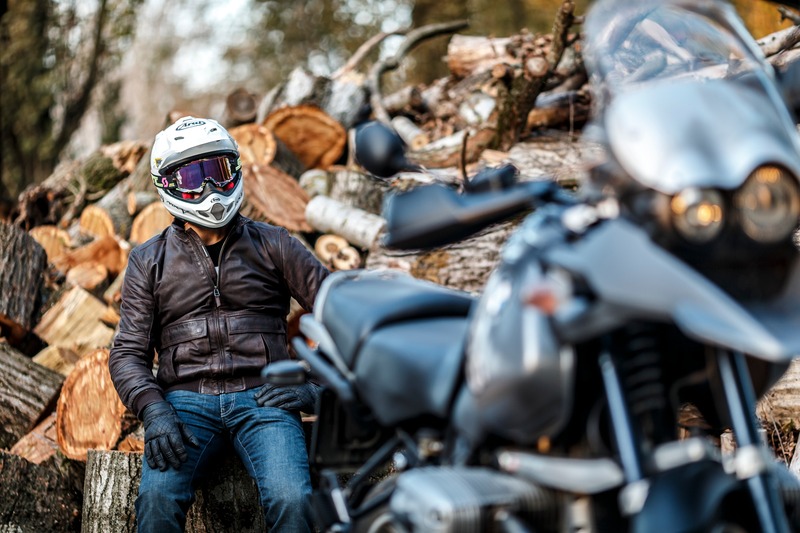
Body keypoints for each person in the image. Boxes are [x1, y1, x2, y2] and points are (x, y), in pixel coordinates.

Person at [109, 116, 329, 532]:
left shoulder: (275, 243)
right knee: (155, 502)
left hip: (267, 398)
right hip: (185, 406)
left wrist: (313, 386)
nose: (210, 188)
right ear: (168, 184)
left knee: (293, 499)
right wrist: (154, 411)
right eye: (195, 176)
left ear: (236, 170)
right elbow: (127, 353)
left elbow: (344, 315)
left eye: (219, 171)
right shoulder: (147, 260)